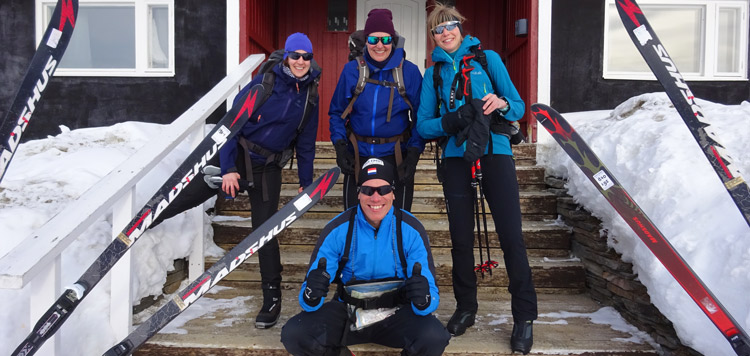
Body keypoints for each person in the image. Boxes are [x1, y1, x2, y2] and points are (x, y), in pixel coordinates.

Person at [149, 32, 321, 330]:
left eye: (306, 57)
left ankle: (272, 296)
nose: (301, 62)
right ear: (286, 56)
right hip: (238, 156)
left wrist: (306, 182)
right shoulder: (263, 84)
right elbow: (231, 125)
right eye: (296, 56)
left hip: (269, 167)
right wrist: (228, 169)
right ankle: (146, 221)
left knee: (265, 231)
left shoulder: (310, 95)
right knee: (194, 193)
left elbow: (305, 143)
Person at [415, 4, 537, 354]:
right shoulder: (433, 74)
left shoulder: (488, 59)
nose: (446, 33)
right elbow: (423, 125)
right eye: (439, 30)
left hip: (495, 151)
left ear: (461, 28)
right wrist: (452, 121)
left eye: (451, 26)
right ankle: (466, 307)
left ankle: (524, 316)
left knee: (511, 235)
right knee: (460, 239)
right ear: (433, 36)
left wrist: (499, 103)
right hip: (455, 156)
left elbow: (517, 106)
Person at [280, 159, 450, 356]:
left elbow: (429, 293)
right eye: (368, 190)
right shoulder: (337, 229)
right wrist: (312, 293)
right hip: (349, 312)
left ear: (393, 193)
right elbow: (308, 299)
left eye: (383, 189)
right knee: (295, 334)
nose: (375, 198)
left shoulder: (411, 230)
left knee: (434, 336)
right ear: (358, 194)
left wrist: (423, 300)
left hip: (397, 314)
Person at [329, 8, 425, 212]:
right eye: (373, 40)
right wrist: (339, 145)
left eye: (385, 40)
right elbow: (336, 112)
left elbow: (420, 116)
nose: (379, 45)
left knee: (397, 222)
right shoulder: (352, 70)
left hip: (396, 156)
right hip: (358, 155)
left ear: (393, 40)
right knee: (354, 221)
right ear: (366, 41)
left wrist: (414, 153)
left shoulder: (409, 72)